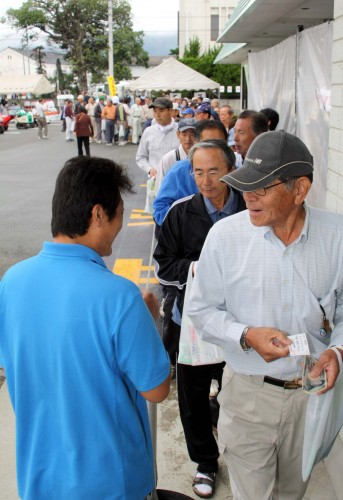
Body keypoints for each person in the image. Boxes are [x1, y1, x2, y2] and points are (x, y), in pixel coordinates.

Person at [0, 156, 170, 500]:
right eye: (120, 213)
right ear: (97, 215)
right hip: (111, 481)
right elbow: (156, 390)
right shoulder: (120, 295)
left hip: (39, 476)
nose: (121, 223)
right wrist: (148, 320)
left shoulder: (12, 281)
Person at [188, 130, 343, 500]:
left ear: (300, 189)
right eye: (245, 185)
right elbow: (200, 308)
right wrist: (245, 335)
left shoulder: (337, 236)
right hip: (249, 396)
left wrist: (337, 351)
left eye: (261, 187)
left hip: (312, 397)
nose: (248, 197)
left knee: (293, 492)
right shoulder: (225, 237)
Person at [154, 140, 246, 498]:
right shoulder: (180, 213)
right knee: (191, 396)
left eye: (214, 171)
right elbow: (164, 265)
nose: (205, 181)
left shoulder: (249, 207)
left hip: (240, 323)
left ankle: (240, 452)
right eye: (198, 172)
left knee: (239, 390)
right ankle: (205, 462)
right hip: (191, 323)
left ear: (231, 170)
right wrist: (197, 269)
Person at [153, 119, 228, 227]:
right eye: (207, 144)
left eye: (219, 144)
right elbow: (160, 210)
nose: (213, 150)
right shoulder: (179, 172)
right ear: (196, 144)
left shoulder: (235, 171)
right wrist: (187, 226)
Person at [136, 97, 179, 178]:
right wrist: (149, 169)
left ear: (170, 111)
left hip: (177, 180)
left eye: (161, 111)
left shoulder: (181, 131)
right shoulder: (148, 132)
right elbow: (140, 157)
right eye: (155, 111)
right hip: (155, 181)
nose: (157, 115)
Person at [155, 118, 197, 193]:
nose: (188, 139)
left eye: (192, 134)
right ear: (178, 134)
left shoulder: (203, 158)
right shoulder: (168, 159)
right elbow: (160, 189)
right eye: (184, 134)